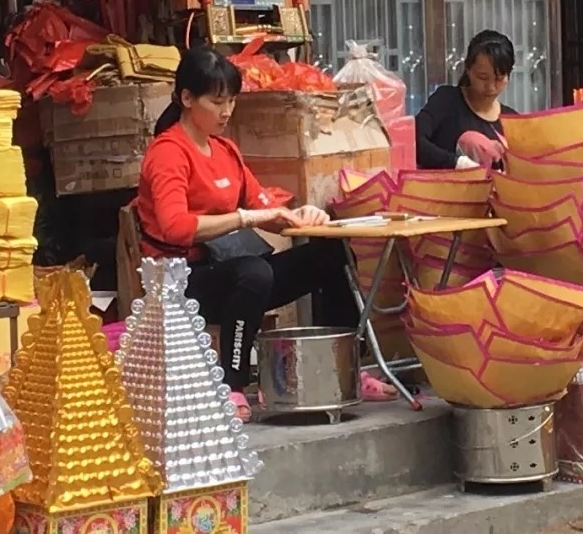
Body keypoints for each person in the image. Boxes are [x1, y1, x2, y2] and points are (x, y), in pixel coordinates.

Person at [137, 46, 397, 421]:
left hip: (229, 269)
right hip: (179, 279)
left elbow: (264, 208)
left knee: (330, 253)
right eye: (216, 102)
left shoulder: (225, 150)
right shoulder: (167, 154)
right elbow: (175, 227)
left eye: (232, 102)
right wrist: (245, 218)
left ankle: (348, 368)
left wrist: (299, 217)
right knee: (253, 272)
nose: (226, 112)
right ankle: (233, 384)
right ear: (186, 98)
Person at [415, 29, 517, 170]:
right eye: (482, 77)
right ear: (468, 69)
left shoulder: (513, 121)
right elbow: (413, 142)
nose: (491, 87)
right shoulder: (446, 101)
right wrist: (456, 163)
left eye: (499, 79)